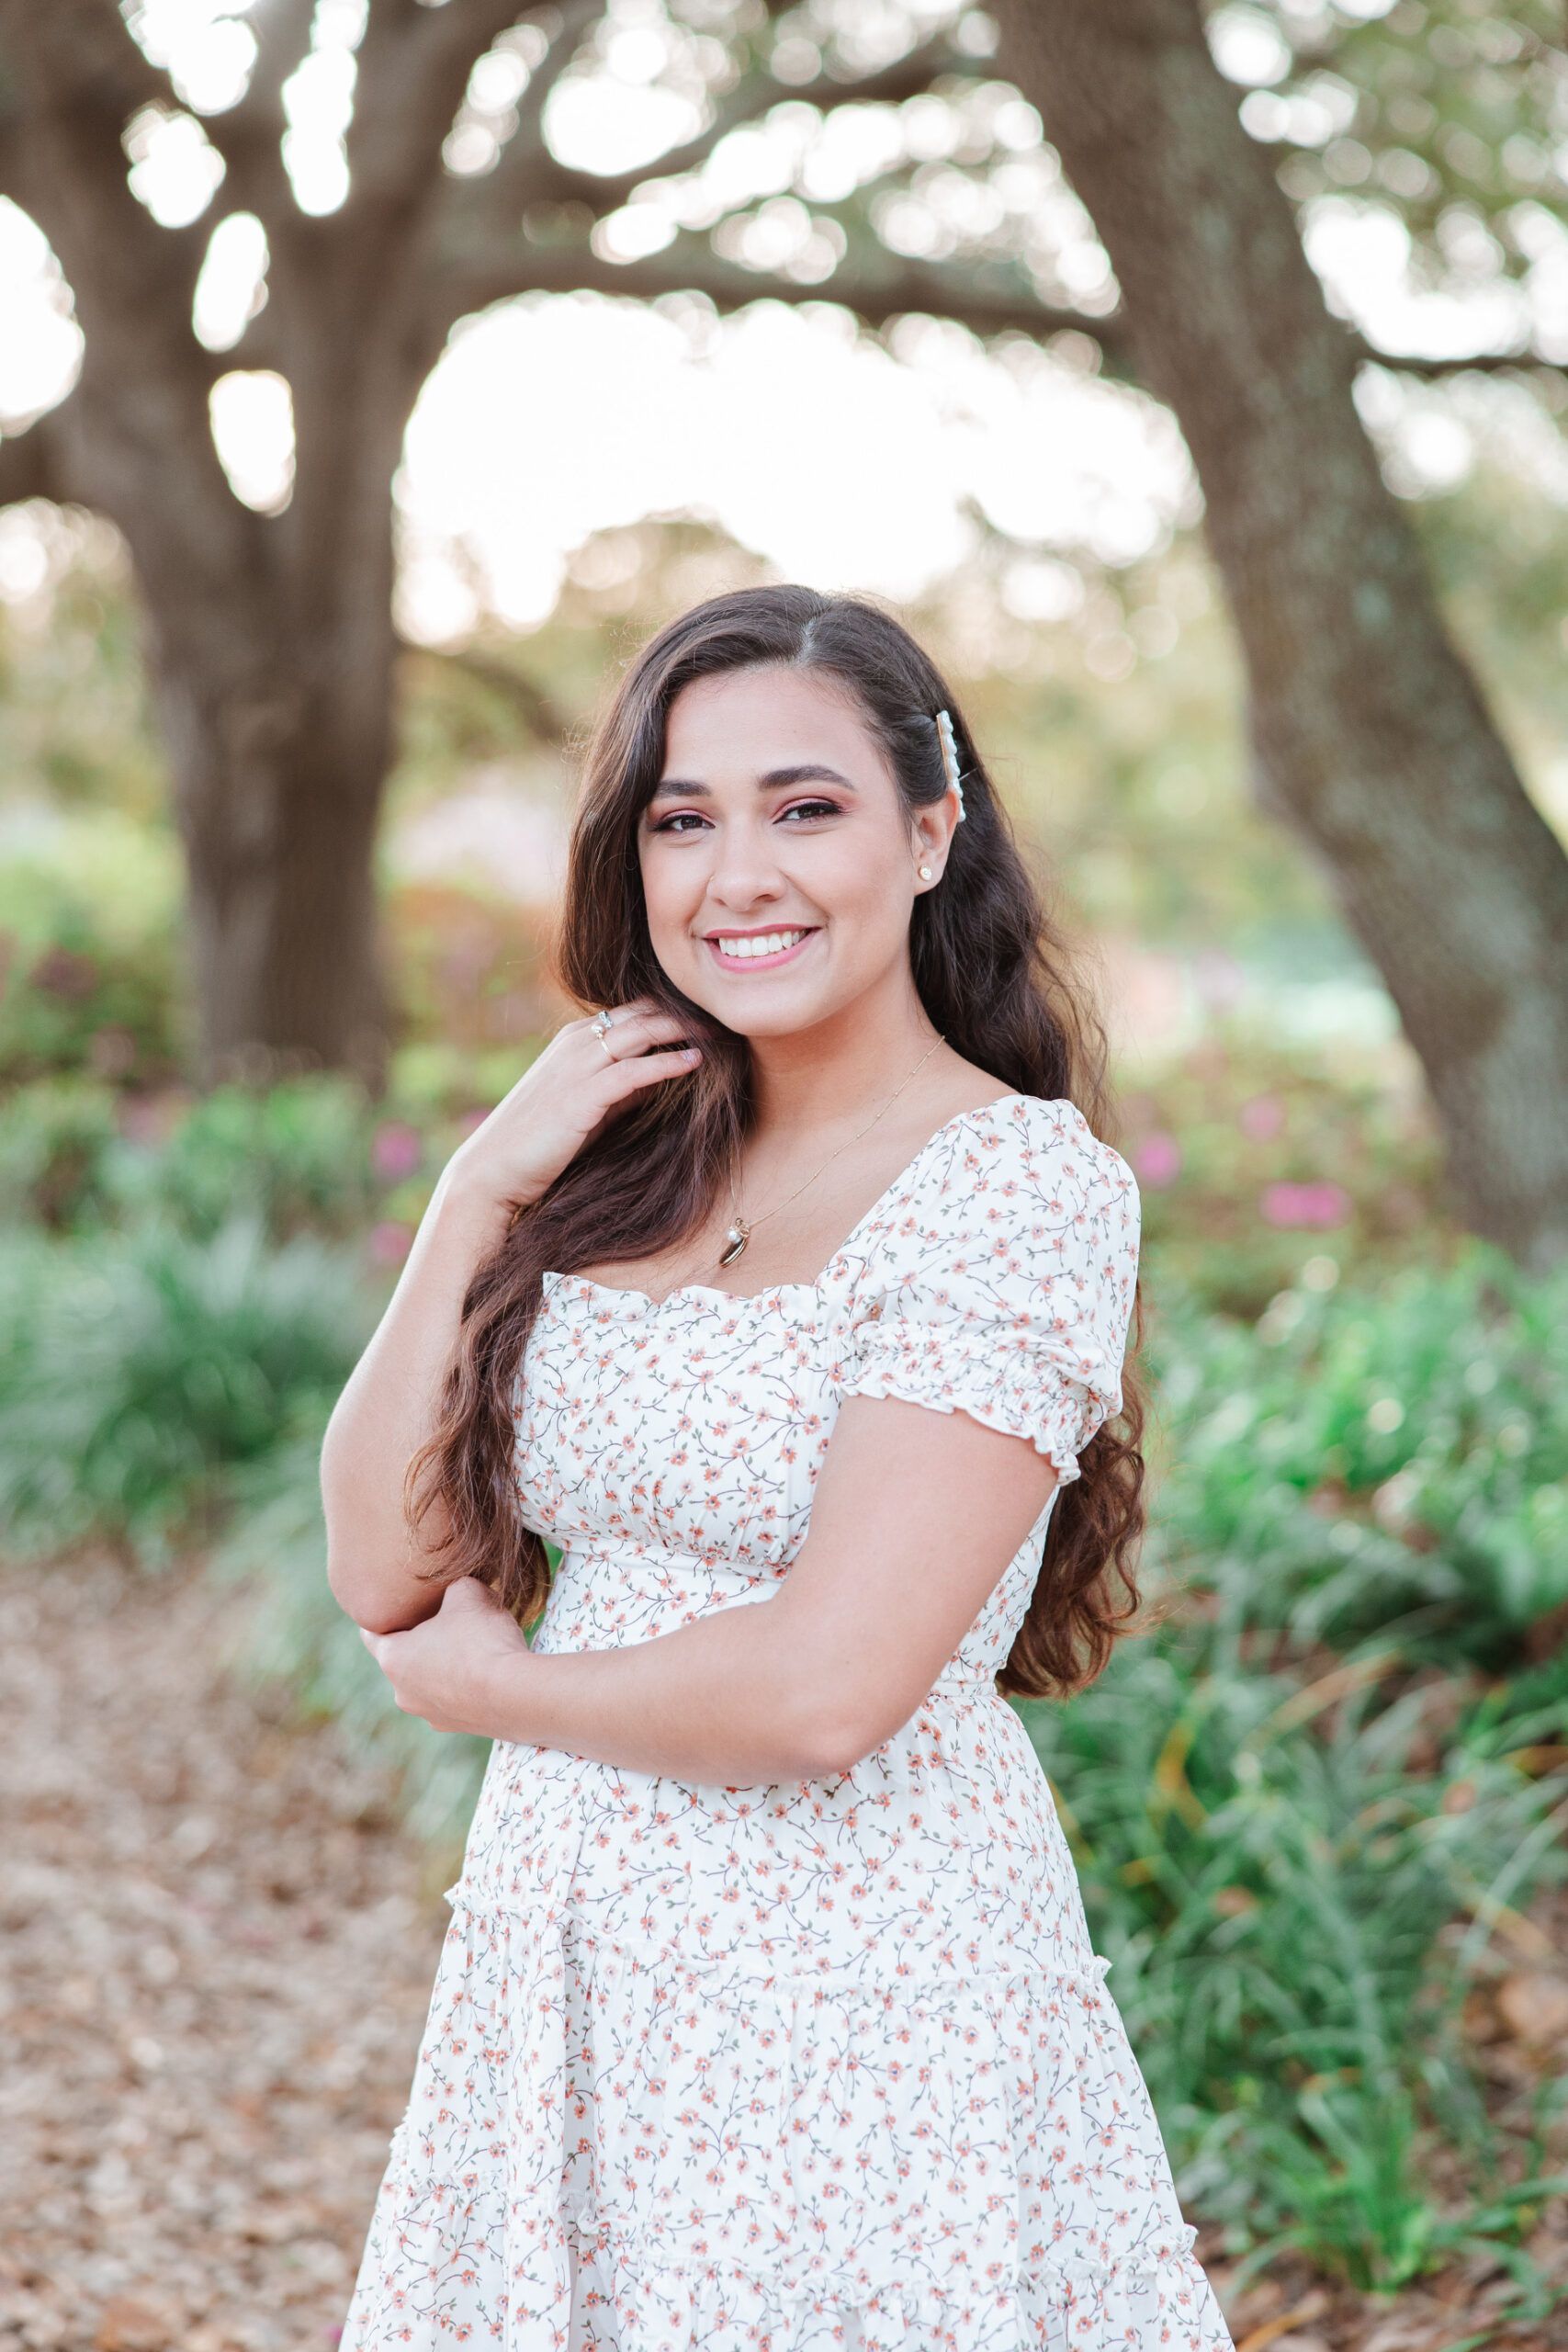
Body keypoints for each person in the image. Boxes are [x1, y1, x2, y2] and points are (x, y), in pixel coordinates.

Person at [322, 583, 1235, 2351]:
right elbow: (383, 1569)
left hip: (857, 1995)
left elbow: (833, 1687)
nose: (737, 874)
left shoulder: (1015, 1193)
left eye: (802, 807)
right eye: (683, 819)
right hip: (573, 1959)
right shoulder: (618, 1174)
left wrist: (508, 1684)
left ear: (929, 829)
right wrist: (475, 1199)